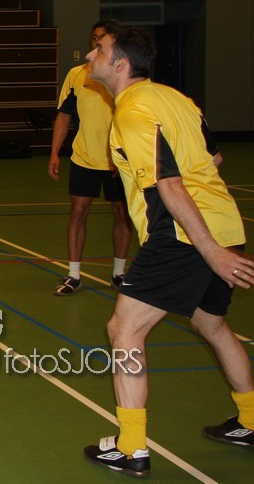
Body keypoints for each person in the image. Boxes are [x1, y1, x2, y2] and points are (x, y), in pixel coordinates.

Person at [82, 26, 254, 477]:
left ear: (120, 64)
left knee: (124, 330)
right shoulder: (177, 99)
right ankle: (251, 421)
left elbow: (170, 185)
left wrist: (210, 252)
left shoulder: (133, 110)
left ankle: (131, 447)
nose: (90, 55)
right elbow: (213, 160)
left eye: (99, 50)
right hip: (225, 222)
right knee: (211, 324)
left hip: (183, 235)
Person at [48, 20, 132, 296]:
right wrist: (54, 152)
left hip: (118, 160)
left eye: (102, 39)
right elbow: (64, 115)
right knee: (78, 212)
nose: (96, 42)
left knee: (122, 214)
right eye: (94, 38)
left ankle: (119, 274)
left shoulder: (124, 74)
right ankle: (73, 275)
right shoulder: (77, 75)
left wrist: (126, 155)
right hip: (84, 156)